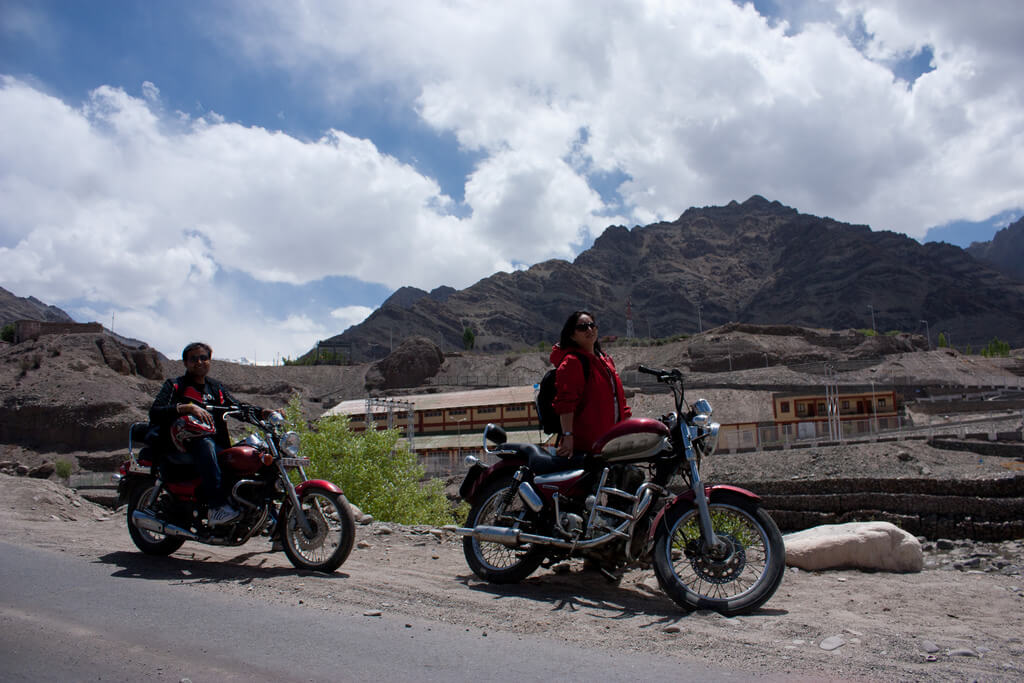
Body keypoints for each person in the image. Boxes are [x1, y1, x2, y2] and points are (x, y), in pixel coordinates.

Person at [149, 342, 264, 526]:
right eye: (194, 359)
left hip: (215, 444)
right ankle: (216, 507)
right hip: (180, 447)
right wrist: (185, 407)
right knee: (206, 444)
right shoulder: (176, 385)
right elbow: (155, 412)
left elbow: (237, 408)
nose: (200, 362)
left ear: (210, 361)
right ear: (185, 362)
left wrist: (263, 413)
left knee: (253, 450)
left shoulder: (216, 388)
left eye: (204, 358)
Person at [550, 311, 631, 457]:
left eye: (591, 325)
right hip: (588, 446)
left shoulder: (605, 359)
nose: (589, 330)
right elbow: (566, 404)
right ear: (572, 335)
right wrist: (568, 437)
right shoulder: (572, 363)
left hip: (613, 441)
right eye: (582, 327)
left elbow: (618, 399)